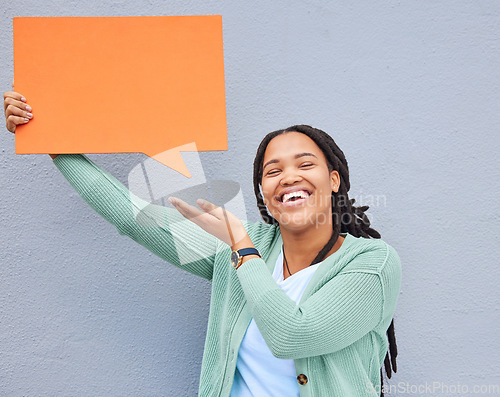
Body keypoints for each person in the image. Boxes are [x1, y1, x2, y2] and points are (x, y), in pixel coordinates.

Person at [4, 88, 401, 397]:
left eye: (305, 164)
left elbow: (293, 336)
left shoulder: (372, 262)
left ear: (333, 180)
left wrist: (243, 250)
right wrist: (51, 139)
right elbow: (133, 217)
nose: (288, 177)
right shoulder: (240, 243)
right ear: (263, 192)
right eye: (272, 170)